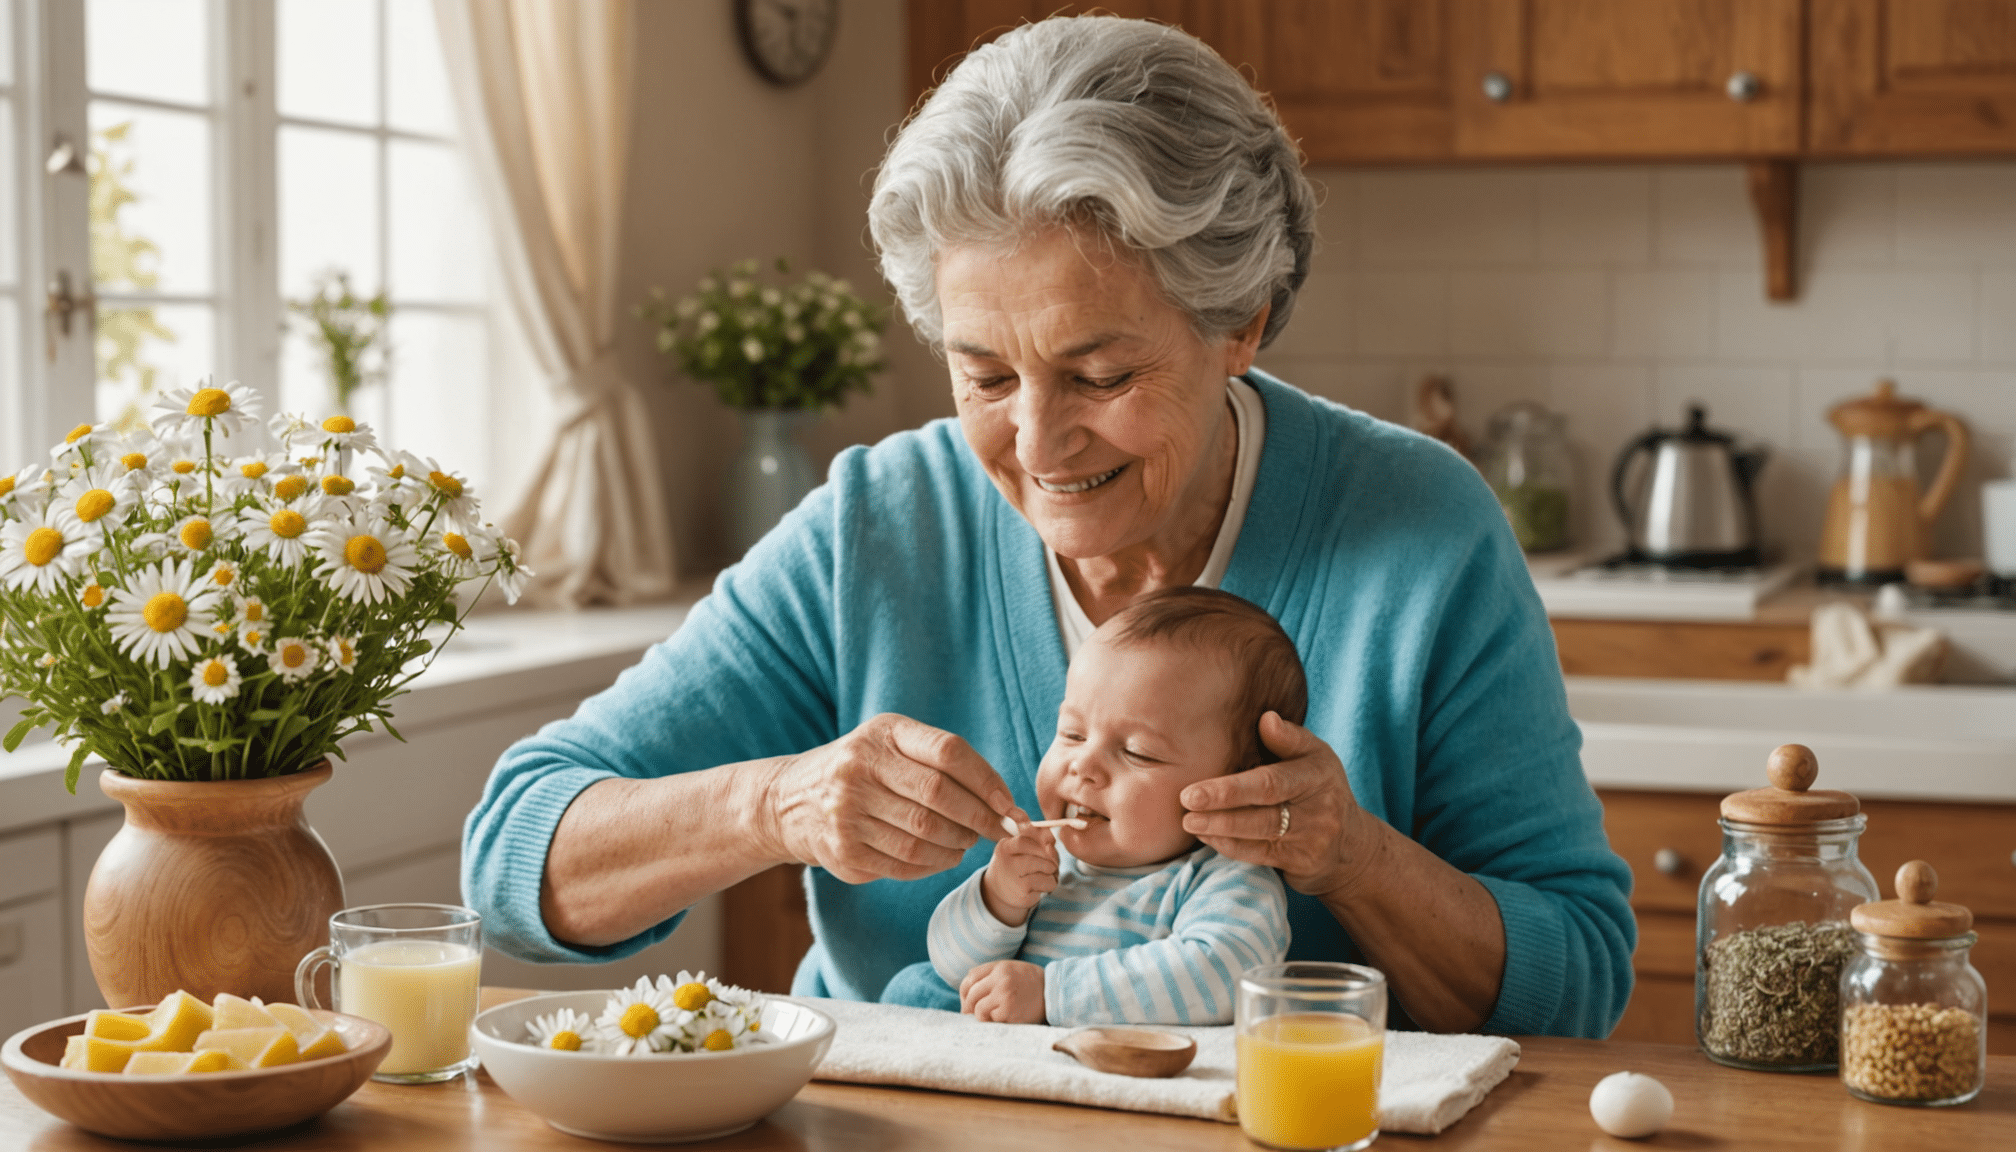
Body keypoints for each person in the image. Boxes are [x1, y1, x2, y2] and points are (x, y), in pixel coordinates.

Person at [462, 14, 1634, 1038]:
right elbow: (514, 856)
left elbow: (1578, 978)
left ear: (1241, 326)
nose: (1036, 443)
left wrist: (1357, 862)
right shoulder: (882, 522)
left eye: (1101, 374)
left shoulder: (1418, 529)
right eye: (983, 377)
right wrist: (773, 803)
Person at [923, 587, 1298, 1025]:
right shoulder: (1047, 864)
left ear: (1238, 788)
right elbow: (952, 970)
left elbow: (1225, 974)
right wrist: (997, 899)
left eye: (1138, 752)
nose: (1083, 765)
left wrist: (1053, 994)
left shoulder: (1226, 879)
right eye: (1072, 734)